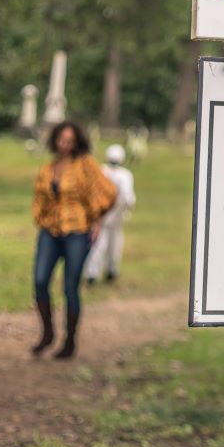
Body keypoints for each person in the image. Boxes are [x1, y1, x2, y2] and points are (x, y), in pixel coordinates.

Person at [31, 121, 117, 359]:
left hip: (77, 232)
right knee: (39, 281)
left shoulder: (86, 165)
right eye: (61, 139)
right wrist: (41, 219)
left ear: (77, 142)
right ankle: (47, 332)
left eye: (70, 140)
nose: (65, 144)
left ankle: (69, 341)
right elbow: (40, 197)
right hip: (50, 231)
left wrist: (97, 220)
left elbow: (107, 192)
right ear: (55, 140)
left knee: (70, 287)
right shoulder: (49, 168)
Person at [85, 144, 136, 284]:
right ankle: (110, 271)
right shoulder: (125, 175)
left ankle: (93, 273)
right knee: (114, 243)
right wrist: (126, 210)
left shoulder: (101, 170)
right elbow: (128, 197)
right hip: (116, 215)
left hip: (102, 215)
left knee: (98, 244)